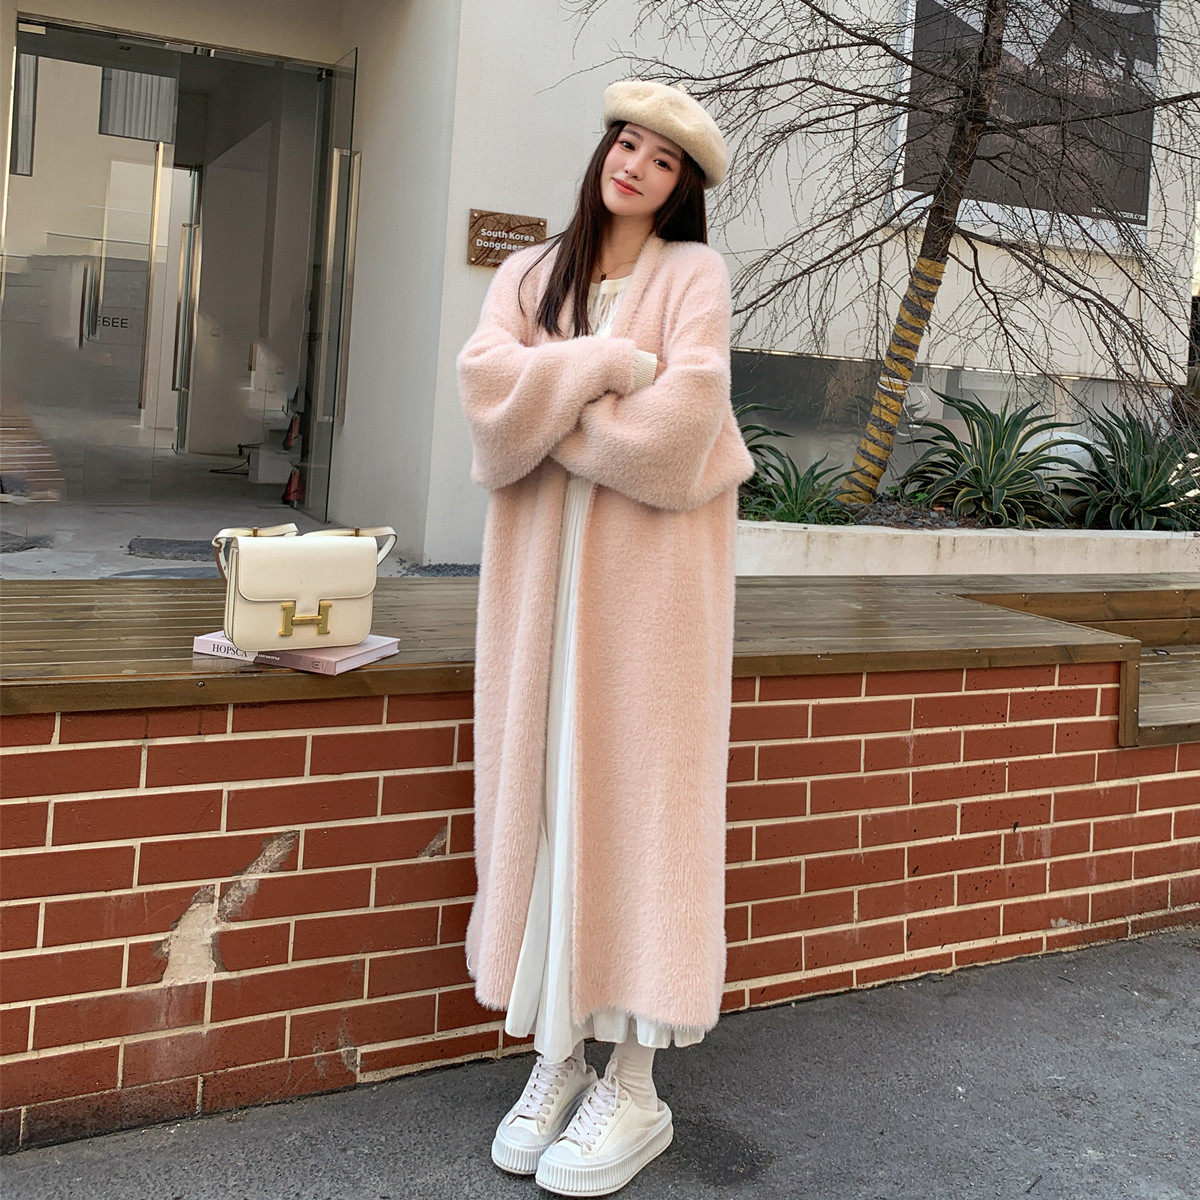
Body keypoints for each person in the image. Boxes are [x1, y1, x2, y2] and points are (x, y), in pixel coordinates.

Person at [456, 78, 754, 1196]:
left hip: (652, 603)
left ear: (681, 187)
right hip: (540, 598)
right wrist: (606, 370)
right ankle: (559, 1058)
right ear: (604, 153)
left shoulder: (694, 275)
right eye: (627, 144)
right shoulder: (530, 274)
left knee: (641, 809)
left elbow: (679, 437)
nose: (635, 165)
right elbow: (486, 407)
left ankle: (635, 1082)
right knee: (544, 807)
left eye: (662, 159)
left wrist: (545, 414)